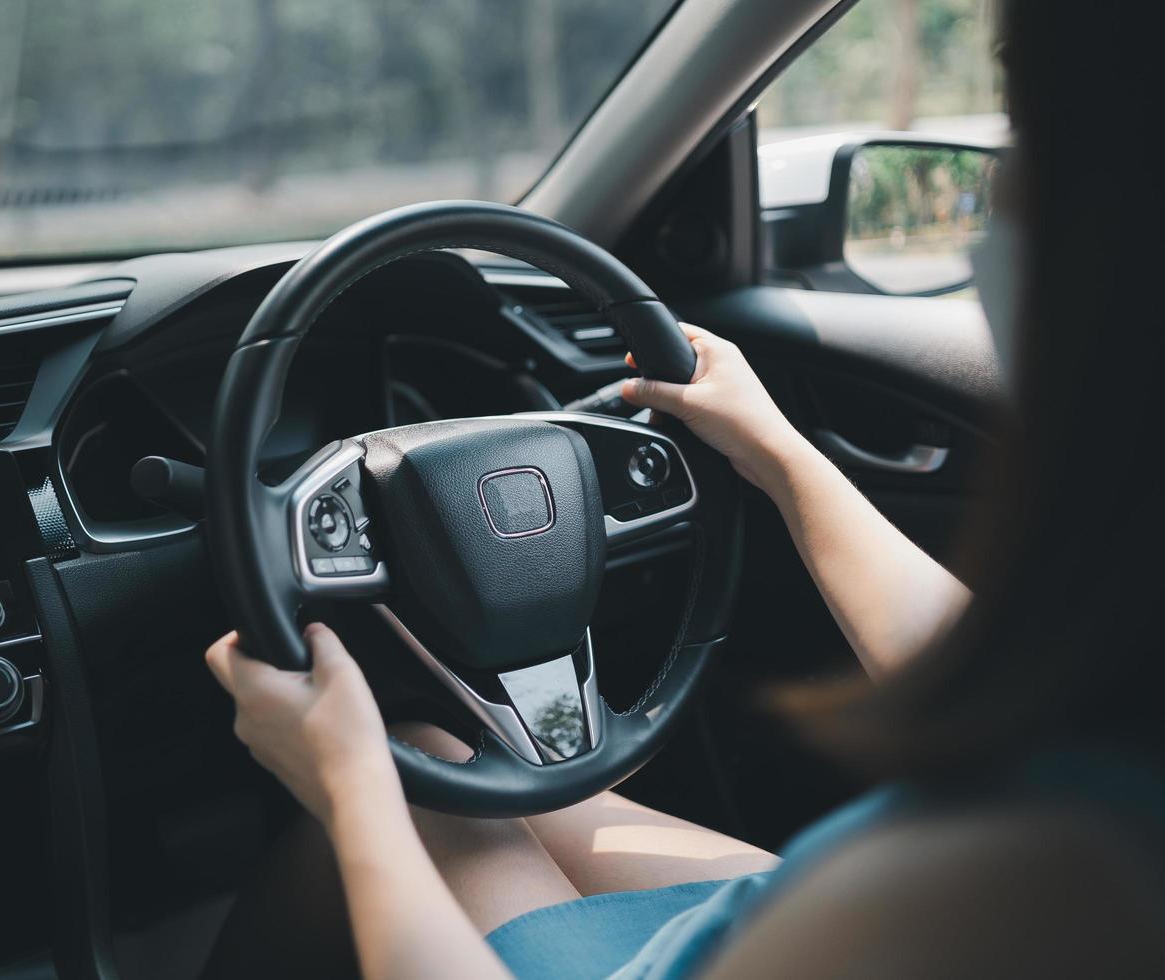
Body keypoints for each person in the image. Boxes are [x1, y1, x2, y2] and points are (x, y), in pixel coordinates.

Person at [201, 2, 1165, 976]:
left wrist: (348, 780)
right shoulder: (1099, 760)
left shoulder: (1035, 877)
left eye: (1024, 121)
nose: (992, 194)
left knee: (418, 772)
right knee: (506, 781)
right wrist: (781, 457)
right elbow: (989, 676)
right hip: (793, 917)